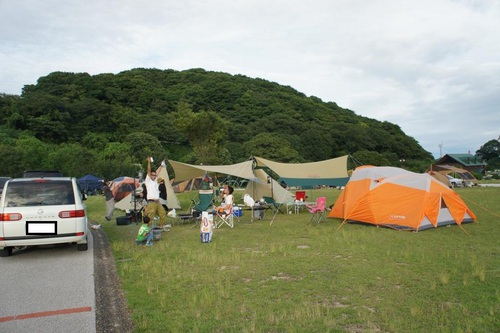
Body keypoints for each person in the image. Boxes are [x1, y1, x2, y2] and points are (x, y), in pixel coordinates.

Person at [143, 156, 167, 228]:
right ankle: (146, 228)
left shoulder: (156, 180)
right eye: (152, 175)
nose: (154, 176)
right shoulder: (148, 180)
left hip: (158, 202)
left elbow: (157, 172)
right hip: (151, 202)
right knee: (150, 216)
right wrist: (149, 163)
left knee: (163, 214)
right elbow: (148, 170)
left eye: (155, 175)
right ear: (150, 175)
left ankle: (160, 227)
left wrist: (161, 165)